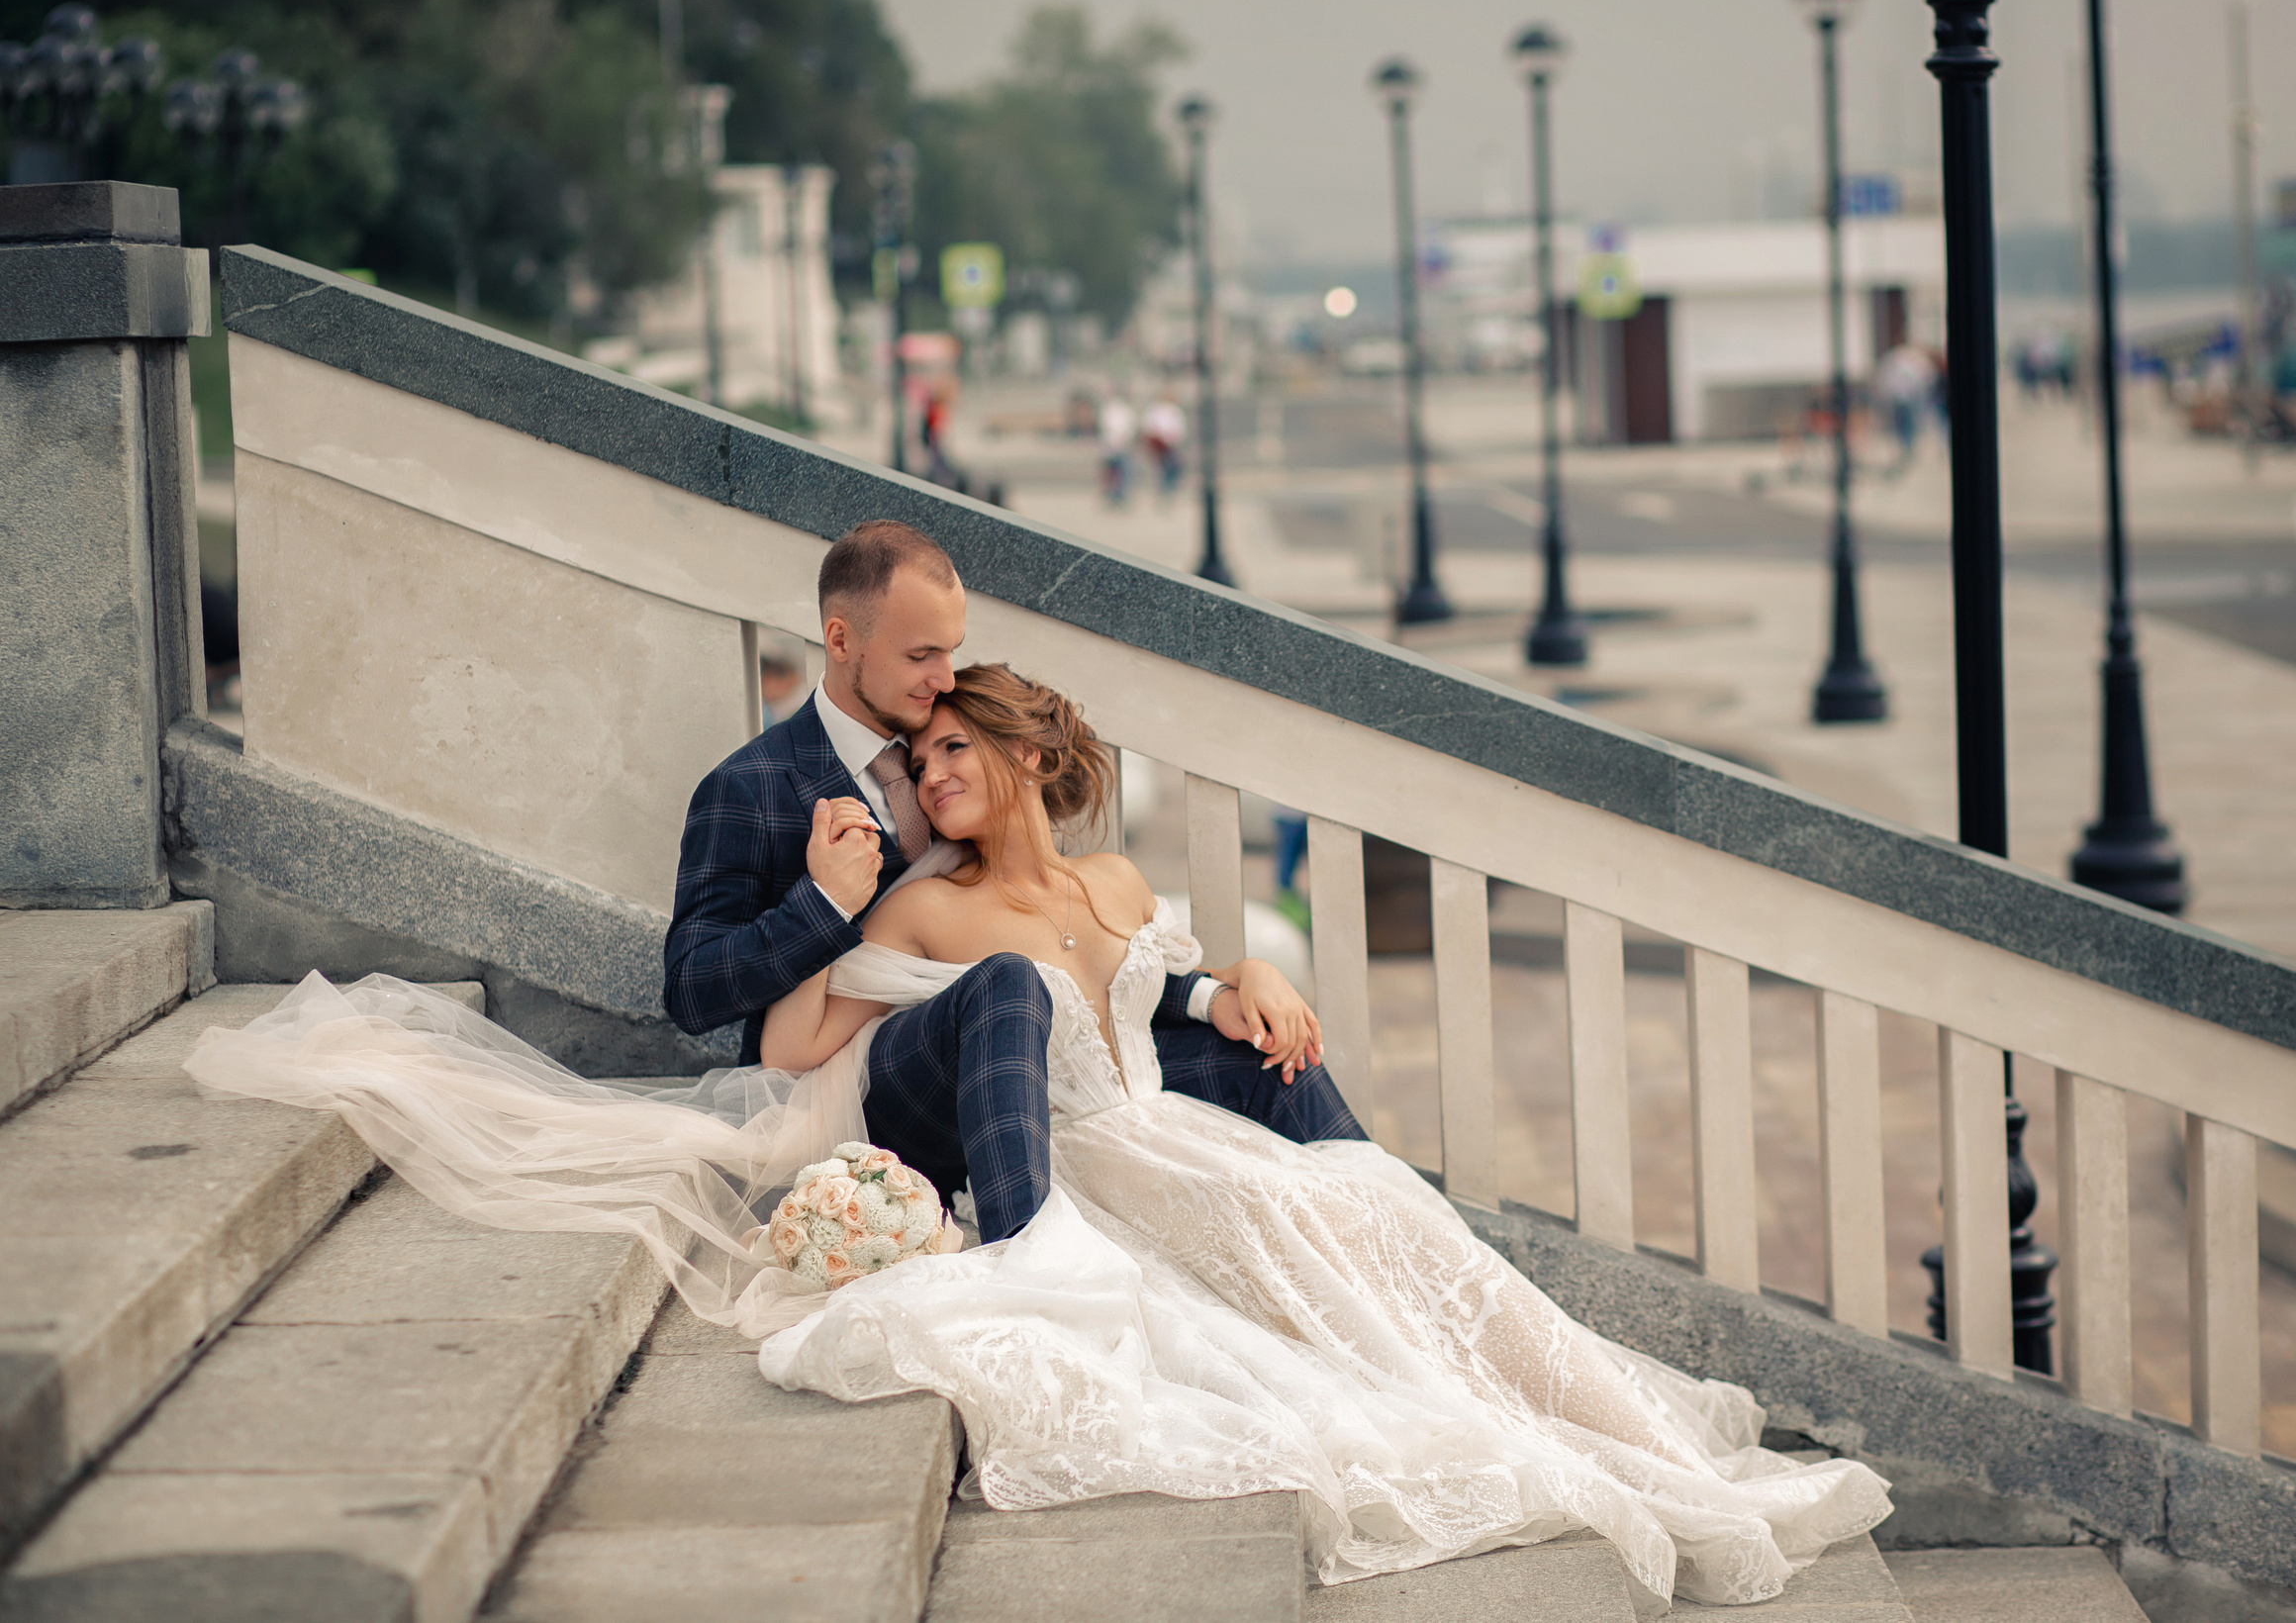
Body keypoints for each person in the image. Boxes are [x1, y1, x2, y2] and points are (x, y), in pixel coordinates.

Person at [184, 662, 1891, 1610]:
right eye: (918, 756)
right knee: (1296, 1239)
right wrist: (829, 900)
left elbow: (1154, 989)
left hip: (1174, 1129)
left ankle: (1631, 1430)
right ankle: (1039, 1257)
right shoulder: (922, 906)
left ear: (1016, 760)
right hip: (1089, 1163)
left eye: (951, 753)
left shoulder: (1118, 881)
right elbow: (785, 1041)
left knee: (1378, 1215)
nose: (929, 777)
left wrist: (1242, 979)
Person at [658, 520, 1362, 1243]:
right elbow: (691, 990)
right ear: (841, 641)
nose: (943, 677)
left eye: (951, 651)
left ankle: (1378, 1210)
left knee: (1264, 1053)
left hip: (1027, 1066)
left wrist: (1232, 982)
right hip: (882, 1088)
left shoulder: (952, 743)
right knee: (1009, 982)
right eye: (921, 655)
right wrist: (823, 902)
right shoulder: (753, 787)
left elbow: (1092, 971)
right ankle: (1024, 1256)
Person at [1873, 342, 1935, 476]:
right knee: (1903, 426)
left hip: (1906, 399)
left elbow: (1923, 378)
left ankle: (1907, 448)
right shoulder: (1901, 360)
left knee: (1907, 426)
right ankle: (1905, 448)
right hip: (1901, 400)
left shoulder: (1907, 359)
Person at [1141, 392, 1187, 499]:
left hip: (1170, 444)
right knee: (1163, 467)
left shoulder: (1174, 411)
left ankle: (1168, 489)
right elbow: (1149, 427)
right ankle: (1164, 490)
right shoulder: (1155, 410)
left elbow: (1179, 428)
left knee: (1173, 466)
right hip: (1159, 444)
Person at [1097, 389, 1136, 508]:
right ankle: (1111, 495)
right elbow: (1106, 427)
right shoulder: (1108, 410)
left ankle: (1119, 495)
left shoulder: (1125, 410)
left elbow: (1130, 427)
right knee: (1111, 473)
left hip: (1122, 445)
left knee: (1122, 472)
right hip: (1110, 446)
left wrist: (1124, 439)